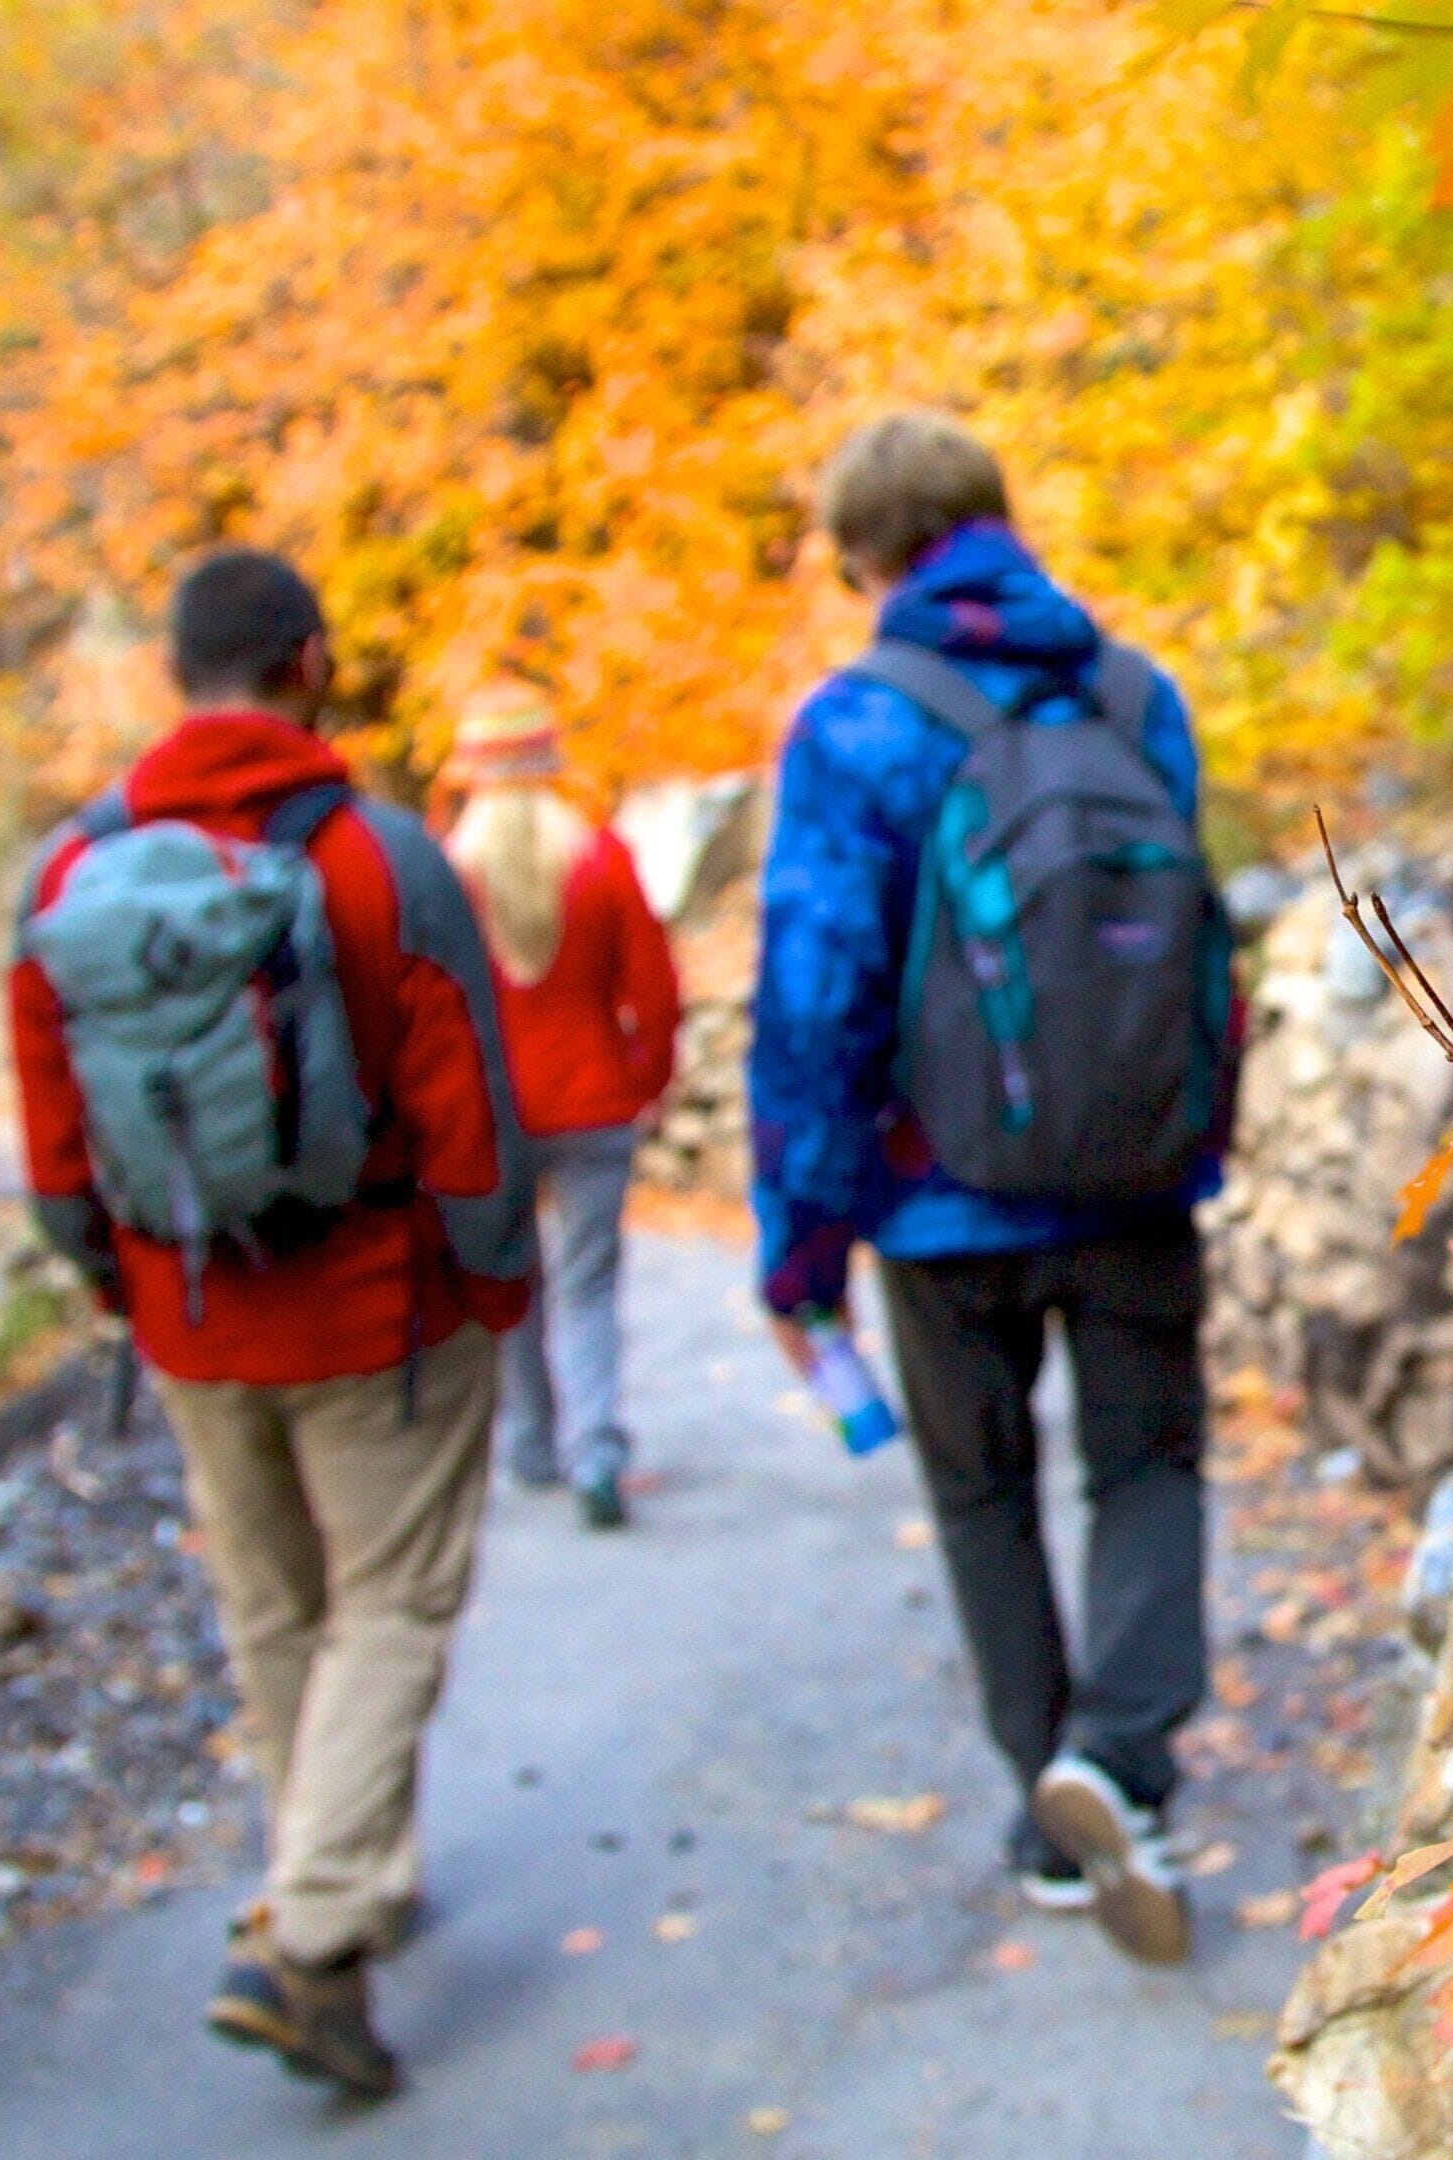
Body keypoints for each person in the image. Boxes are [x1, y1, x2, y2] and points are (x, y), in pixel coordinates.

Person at [8, 548, 534, 2099]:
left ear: (182, 674)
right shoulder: (376, 857)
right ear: (306, 663)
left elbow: (50, 1140)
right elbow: (468, 1115)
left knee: (280, 1613)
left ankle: (341, 1871)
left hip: (187, 1317)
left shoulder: (67, 873)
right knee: (394, 1604)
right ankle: (311, 1936)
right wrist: (491, 1289)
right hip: (376, 1313)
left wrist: (122, 1287)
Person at [748, 410, 1229, 1966]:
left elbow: (815, 1006)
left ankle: (1049, 1814)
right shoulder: (1134, 694)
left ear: (865, 559)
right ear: (1002, 520)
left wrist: (799, 1253)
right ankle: (1123, 1758)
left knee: (985, 1495)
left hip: (938, 1197)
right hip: (1136, 1182)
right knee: (1147, 1471)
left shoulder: (859, 726)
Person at [437, 682, 680, 1528]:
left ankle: (533, 1442)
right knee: (588, 1282)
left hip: (493, 1113)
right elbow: (654, 990)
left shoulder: (447, 876)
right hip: (594, 1103)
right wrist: (646, 1083)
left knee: (515, 1279)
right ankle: (598, 1448)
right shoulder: (601, 859)